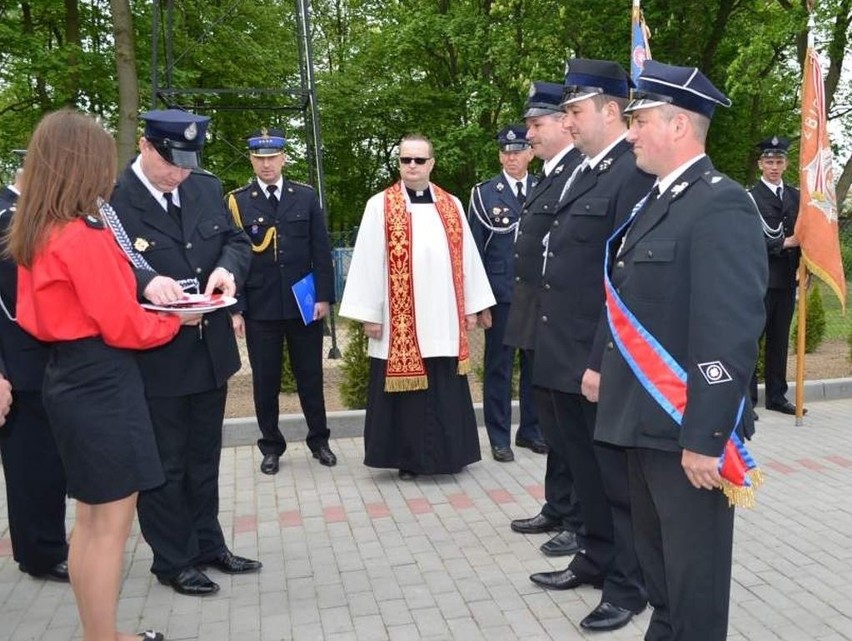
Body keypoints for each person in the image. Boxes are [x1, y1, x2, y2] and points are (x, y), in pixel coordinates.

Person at [596, 60, 767, 641]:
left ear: (676, 126)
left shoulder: (721, 204)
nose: (631, 133)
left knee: (693, 587)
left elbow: (729, 330)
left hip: (684, 434)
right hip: (641, 427)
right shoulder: (658, 201)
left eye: (639, 121)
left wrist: (705, 437)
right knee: (662, 579)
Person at [9, 108, 191, 641]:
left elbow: (34, 316)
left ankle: (101, 634)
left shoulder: (35, 230)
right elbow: (124, 326)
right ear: (82, 165)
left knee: (90, 523)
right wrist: (177, 321)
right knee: (109, 528)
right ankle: (103, 636)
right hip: (103, 382)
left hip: (66, 377)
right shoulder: (82, 235)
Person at [111, 108, 259, 596]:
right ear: (146, 147)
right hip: (156, 357)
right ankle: (172, 559)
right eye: (172, 162)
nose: (181, 174)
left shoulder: (204, 187)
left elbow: (236, 242)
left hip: (207, 349)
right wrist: (146, 282)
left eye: (189, 163)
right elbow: (104, 268)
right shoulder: (112, 199)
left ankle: (207, 544)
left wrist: (228, 271)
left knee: (204, 457)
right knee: (166, 462)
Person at [526, 59, 652, 632]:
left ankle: (629, 585)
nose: (567, 121)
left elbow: (626, 281)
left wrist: (602, 359)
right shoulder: (582, 168)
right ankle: (596, 557)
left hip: (597, 356)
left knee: (616, 481)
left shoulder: (633, 172)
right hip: (562, 351)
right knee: (583, 469)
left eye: (574, 111)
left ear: (609, 110)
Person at [339, 134, 494, 480]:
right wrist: (369, 314)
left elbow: (469, 257)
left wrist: (474, 305)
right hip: (399, 324)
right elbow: (366, 260)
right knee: (407, 399)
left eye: (419, 160)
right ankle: (407, 460)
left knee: (444, 389)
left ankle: (450, 456)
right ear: (398, 164)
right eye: (405, 160)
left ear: (431, 164)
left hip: (444, 320)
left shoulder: (451, 204)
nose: (412, 166)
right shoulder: (380, 205)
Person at [226, 128, 336, 474]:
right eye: (260, 159)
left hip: (303, 303)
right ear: (252, 160)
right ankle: (271, 446)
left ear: (284, 158)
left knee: (311, 376)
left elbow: (321, 249)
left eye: (272, 158)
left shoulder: (304, 197)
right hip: (261, 307)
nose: (266, 165)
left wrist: (323, 297)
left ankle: (319, 440)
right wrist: (236, 307)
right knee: (265, 380)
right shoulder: (238, 201)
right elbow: (233, 256)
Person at [506, 81, 585, 558]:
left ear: (563, 124)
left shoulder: (578, 171)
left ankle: (579, 517)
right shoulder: (550, 175)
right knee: (551, 423)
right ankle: (558, 505)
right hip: (536, 315)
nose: (528, 135)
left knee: (570, 426)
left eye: (537, 125)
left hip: (560, 319)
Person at [0, 150, 69, 583]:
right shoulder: (7, 219)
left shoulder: (29, 217)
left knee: (47, 464)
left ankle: (46, 545)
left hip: (42, 361)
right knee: (30, 468)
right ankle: (39, 554)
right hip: (19, 364)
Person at [467, 124, 543, 463]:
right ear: (500, 155)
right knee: (498, 368)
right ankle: (499, 436)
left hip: (539, 294)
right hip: (501, 295)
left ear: (530, 153)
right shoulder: (484, 194)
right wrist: (479, 301)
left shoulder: (545, 187)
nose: (511, 158)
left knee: (536, 367)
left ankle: (531, 429)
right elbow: (474, 253)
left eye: (518, 151)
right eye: (505, 152)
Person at [748, 136, 802, 416]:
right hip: (761, 279)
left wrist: (806, 268)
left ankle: (777, 396)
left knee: (779, 341)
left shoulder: (796, 196)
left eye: (779, 161)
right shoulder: (750, 197)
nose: (774, 166)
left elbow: (807, 237)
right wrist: (784, 243)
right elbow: (747, 240)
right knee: (753, 340)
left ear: (786, 164)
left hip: (788, 279)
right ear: (760, 164)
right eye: (769, 161)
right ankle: (747, 400)